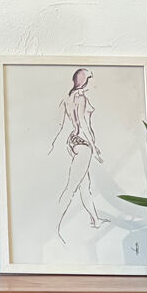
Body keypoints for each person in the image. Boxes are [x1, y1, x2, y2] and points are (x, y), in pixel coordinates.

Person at [46, 67, 109, 242]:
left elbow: (59, 124)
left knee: (84, 185)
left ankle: (95, 219)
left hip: (72, 142)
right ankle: (53, 227)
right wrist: (94, 147)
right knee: (72, 187)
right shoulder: (81, 98)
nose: (93, 82)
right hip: (83, 144)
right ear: (85, 81)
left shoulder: (66, 98)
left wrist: (52, 144)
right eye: (90, 78)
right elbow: (83, 122)